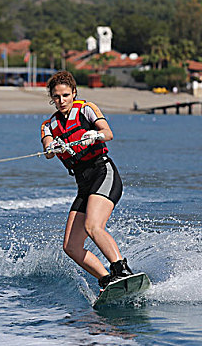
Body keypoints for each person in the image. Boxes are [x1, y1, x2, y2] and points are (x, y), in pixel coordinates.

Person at [40, 71, 133, 290]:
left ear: (74, 93)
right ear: (51, 98)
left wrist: (95, 135)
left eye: (65, 95)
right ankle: (107, 279)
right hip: (83, 184)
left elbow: (108, 133)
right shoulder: (48, 125)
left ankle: (121, 270)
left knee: (93, 226)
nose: (61, 101)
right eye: (56, 97)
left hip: (103, 173)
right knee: (71, 246)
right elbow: (47, 151)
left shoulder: (86, 109)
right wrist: (52, 147)